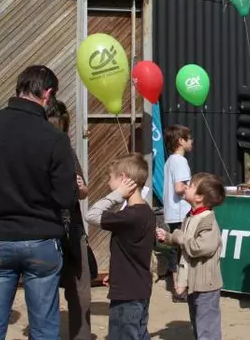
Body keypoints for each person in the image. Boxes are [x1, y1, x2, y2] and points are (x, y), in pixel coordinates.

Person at [0, 65, 77, 340]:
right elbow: (65, 198)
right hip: (41, 239)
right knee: (45, 329)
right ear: (47, 94)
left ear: (19, 88)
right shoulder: (55, 139)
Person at [86, 153, 156, 339]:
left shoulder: (129, 216)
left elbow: (91, 215)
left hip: (127, 295)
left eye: (111, 178)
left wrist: (116, 195)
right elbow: (132, 250)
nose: (108, 183)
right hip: (139, 288)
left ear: (124, 179)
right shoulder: (147, 213)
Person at [156, 173, 227, 340]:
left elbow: (198, 247)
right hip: (193, 283)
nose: (186, 186)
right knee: (197, 322)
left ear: (200, 197)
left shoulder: (207, 221)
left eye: (192, 185)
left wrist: (178, 236)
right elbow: (185, 241)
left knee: (207, 327)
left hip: (206, 285)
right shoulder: (191, 216)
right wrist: (168, 237)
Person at [46, 100, 94, 340]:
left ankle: (81, 335)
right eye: (55, 127)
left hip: (73, 227)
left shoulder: (69, 152)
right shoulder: (34, 151)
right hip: (45, 227)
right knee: (46, 289)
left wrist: (81, 187)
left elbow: (84, 192)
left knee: (81, 289)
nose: (60, 133)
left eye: (62, 128)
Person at [163, 124, 194, 302]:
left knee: (176, 249)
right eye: (189, 139)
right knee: (182, 249)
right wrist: (194, 190)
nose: (192, 142)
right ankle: (180, 288)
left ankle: (177, 287)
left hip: (172, 211)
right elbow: (179, 187)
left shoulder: (169, 161)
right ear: (181, 141)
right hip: (181, 211)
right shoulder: (180, 161)